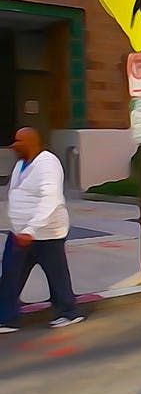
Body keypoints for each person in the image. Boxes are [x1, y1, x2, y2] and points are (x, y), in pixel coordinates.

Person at [0, 127, 85, 332]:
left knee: (56, 276)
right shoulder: (21, 164)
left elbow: (50, 199)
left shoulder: (47, 163)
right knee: (10, 274)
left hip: (46, 234)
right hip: (21, 233)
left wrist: (31, 229)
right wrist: (20, 227)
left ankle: (68, 312)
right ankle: (7, 317)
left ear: (32, 142)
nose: (14, 145)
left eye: (18, 141)